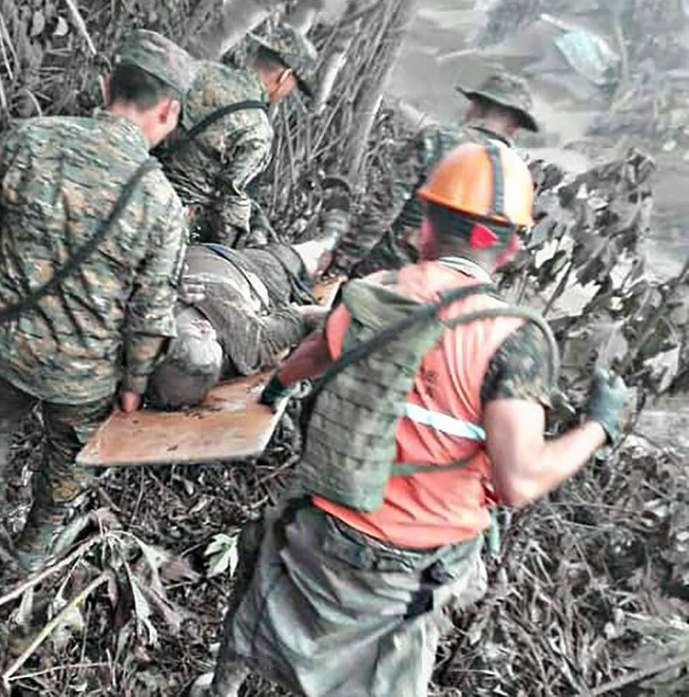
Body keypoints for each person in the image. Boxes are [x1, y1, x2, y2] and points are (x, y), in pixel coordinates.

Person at [205, 142, 627, 697]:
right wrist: (598, 425)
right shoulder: (513, 337)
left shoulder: (370, 293)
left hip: (322, 523)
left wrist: (276, 390)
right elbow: (518, 481)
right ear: (510, 247)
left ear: (425, 222)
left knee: (264, 570)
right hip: (412, 561)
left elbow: (309, 357)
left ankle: (225, 684)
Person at [0, 30, 193, 572]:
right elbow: (150, 315)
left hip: (5, 340)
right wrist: (135, 387)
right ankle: (29, 555)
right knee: (67, 460)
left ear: (107, 84)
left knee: (0, 417)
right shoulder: (160, 201)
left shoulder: (28, 139)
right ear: (169, 109)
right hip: (82, 375)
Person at [337, 71, 539, 275]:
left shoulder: (437, 139)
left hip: (388, 269)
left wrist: (342, 261)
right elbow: (502, 246)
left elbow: (384, 207)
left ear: (475, 107)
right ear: (514, 127)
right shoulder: (517, 174)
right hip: (453, 286)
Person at [149, 213, 347, 409]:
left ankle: (327, 240)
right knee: (287, 260)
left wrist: (293, 374)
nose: (204, 328)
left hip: (252, 268)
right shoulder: (246, 342)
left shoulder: (246, 343)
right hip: (217, 262)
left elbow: (313, 317)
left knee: (302, 258)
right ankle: (269, 233)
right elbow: (317, 318)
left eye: (197, 333)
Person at [159, 24, 318, 246]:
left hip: (142, 179)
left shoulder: (199, 70)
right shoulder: (258, 129)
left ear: (257, 53)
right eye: (294, 85)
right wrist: (229, 251)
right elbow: (230, 205)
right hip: (177, 221)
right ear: (285, 76)